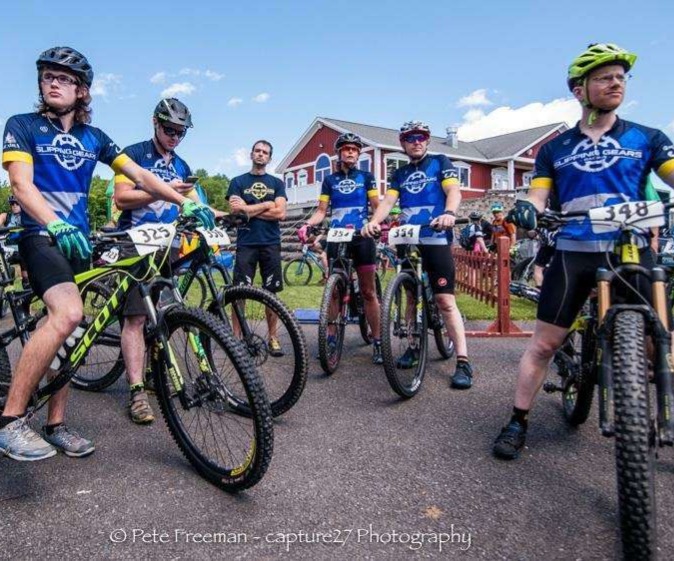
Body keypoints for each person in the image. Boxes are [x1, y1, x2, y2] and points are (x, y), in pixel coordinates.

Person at [0, 46, 214, 462]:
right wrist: (53, 223)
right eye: (47, 76)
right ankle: (10, 421)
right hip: (41, 235)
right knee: (67, 314)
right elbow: (21, 187)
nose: (53, 83)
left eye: (64, 78)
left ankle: (56, 424)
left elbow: (142, 175)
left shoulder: (93, 137)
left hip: (80, 240)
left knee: (73, 335)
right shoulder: (23, 125)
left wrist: (186, 202)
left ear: (82, 91)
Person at [493, 43, 674, 460]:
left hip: (629, 248)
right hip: (574, 249)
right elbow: (538, 197)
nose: (617, 84)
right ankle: (518, 420)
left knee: (657, 337)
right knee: (542, 345)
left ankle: (648, 404)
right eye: (605, 77)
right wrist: (528, 209)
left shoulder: (648, 137)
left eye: (621, 77)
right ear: (580, 90)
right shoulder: (554, 148)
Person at [114, 98, 210, 424]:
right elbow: (122, 199)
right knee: (136, 320)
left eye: (181, 132)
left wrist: (221, 216)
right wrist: (162, 190)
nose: (174, 137)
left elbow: (195, 202)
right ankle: (136, 391)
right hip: (136, 244)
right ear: (155, 123)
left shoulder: (181, 164)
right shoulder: (134, 153)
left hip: (166, 246)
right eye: (169, 129)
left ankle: (154, 372)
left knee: (165, 314)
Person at [362, 120, 474, 388]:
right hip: (409, 238)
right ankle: (413, 345)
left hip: (435, 236)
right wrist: (374, 221)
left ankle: (463, 361)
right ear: (403, 143)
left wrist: (449, 213)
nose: (417, 141)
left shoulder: (440, 162)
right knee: (411, 295)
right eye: (411, 138)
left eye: (421, 137)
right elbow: (388, 202)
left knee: (445, 300)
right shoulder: (399, 174)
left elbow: (453, 191)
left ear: (427, 140)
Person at [297, 133, 383, 364]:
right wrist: (308, 224)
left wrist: (376, 225)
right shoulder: (330, 180)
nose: (350, 152)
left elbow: (376, 206)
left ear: (359, 154)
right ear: (339, 153)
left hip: (361, 235)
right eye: (346, 149)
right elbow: (321, 212)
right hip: (336, 236)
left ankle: (378, 341)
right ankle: (332, 338)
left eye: (355, 149)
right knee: (333, 290)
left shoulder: (366, 177)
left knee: (368, 292)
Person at [227, 140, 287, 356]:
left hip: (270, 243)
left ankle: (273, 338)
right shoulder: (237, 182)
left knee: (271, 294)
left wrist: (248, 208)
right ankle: (236, 340)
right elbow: (235, 213)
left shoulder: (277, 183)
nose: (261, 155)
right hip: (246, 243)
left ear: (270, 158)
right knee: (239, 293)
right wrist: (266, 204)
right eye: (258, 151)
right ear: (251, 154)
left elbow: (280, 213)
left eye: (265, 152)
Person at [0, 195, 29, 288]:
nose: (14, 205)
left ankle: (26, 284)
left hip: (23, 248)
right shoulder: (6, 216)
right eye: (12, 203)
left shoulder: (27, 216)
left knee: (24, 254)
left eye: (17, 203)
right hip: (7, 249)